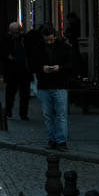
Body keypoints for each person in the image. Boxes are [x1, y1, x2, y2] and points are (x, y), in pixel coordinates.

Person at [33, 23, 74, 151]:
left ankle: (61, 141)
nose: (49, 42)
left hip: (59, 84)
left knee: (61, 115)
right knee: (47, 115)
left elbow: (71, 64)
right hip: (44, 85)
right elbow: (32, 64)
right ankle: (52, 140)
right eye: (47, 40)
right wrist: (41, 68)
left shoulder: (63, 47)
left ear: (55, 36)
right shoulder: (38, 48)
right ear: (43, 38)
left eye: (51, 39)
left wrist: (59, 68)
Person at [1, 22, 32, 121]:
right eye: (13, 32)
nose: (15, 34)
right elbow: (1, 53)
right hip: (11, 71)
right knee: (10, 93)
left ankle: (23, 114)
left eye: (17, 32)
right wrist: (7, 56)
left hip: (24, 71)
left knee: (24, 94)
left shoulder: (25, 39)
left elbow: (30, 52)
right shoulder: (6, 40)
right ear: (10, 31)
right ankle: (8, 110)